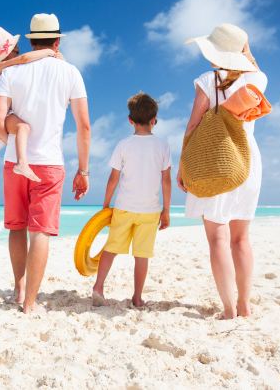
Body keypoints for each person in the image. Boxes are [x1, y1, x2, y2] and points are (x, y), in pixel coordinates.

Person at [0, 13, 91, 314]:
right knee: (40, 233)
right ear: (57, 41)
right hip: (49, 164)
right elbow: (84, 127)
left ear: (31, 41)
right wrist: (83, 170)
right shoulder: (70, 72)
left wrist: (10, 142)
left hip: (14, 161)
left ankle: (18, 289)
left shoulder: (10, 71)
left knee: (16, 228)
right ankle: (30, 304)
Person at [178, 23, 268, 319]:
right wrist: (246, 52)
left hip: (214, 159)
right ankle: (244, 304)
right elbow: (253, 69)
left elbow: (193, 125)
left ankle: (229, 309)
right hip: (246, 160)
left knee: (218, 238)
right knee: (241, 239)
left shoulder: (208, 80)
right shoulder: (258, 79)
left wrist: (184, 164)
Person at [92, 92, 172, 308]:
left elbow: (113, 178)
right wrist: (166, 210)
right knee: (142, 255)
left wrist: (105, 205)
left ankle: (98, 287)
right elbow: (166, 180)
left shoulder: (123, 145)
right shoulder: (163, 146)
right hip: (150, 211)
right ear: (154, 120)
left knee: (111, 248)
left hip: (124, 208)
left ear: (130, 120)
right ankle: (137, 297)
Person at [0, 26, 62, 182]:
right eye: (16, 51)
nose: (19, 53)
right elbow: (24, 59)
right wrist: (49, 52)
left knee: (22, 129)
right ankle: (22, 163)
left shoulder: (7, 70)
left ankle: (21, 161)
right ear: (7, 54)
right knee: (23, 127)